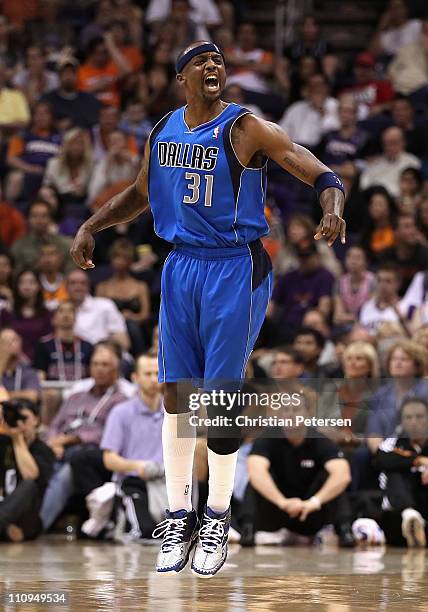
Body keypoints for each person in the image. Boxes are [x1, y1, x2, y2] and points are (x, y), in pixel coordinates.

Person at [70, 40, 347, 577]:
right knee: (178, 398)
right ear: (182, 77)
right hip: (179, 266)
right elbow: (142, 191)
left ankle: (216, 517)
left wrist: (333, 202)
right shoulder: (163, 129)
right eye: (201, 60)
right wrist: (90, 225)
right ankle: (178, 518)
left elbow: (314, 169)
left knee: (218, 400)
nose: (213, 65)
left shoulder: (245, 128)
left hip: (235, 266)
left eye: (219, 59)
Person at [40, 343, 127, 531]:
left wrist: (71, 440)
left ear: (116, 369)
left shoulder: (119, 401)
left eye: (105, 365)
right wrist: (54, 442)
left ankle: (38, 525)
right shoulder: (76, 396)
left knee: (65, 474)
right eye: (95, 364)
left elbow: (105, 434)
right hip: (58, 448)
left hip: (87, 454)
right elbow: (55, 424)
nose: (99, 369)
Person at [77, 352, 164, 539]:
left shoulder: (176, 413)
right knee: (144, 532)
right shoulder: (121, 412)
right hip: (132, 482)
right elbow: (109, 458)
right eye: (147, 374)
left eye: (158, 373)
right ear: (135, 377)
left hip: (168, 482)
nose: (153, 379)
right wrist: (137, 466)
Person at [247, 393, 352, 546]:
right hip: (277, 509)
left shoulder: (320, 440)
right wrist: (282, 502)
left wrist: (313, 502)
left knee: (332, 477)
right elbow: (255, 471)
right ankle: (247, 529)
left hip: (310, 511)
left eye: (295, 410)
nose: (290, 414)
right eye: (285, 410)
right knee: (256, 480)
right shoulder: (266, 438)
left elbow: (343, 475)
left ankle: (345, 529)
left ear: (307, 414)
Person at [373, 397, 428, 547]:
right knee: (392, 471)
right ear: (402, 422)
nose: (414, 421)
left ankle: (414, 521)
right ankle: (410, 514)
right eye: (408, 417)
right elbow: (380, 458)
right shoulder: (395, 442)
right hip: (398, 510)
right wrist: (418, 460)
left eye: (420, 416)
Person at [0, 398, 55, 541]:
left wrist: (18, 440)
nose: (20, 424)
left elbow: (30, 475)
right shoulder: (3, 443)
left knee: (29, 485)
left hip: (26, 518)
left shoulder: (43, 450)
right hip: (3, 506)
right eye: (15, 418)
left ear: (36, 420)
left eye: (24, 418)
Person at [96, 239, 151, 355]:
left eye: (124, 258)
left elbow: (145, 315)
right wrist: (118, 318)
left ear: (131, 261)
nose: (119, 261)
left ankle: (139, 358)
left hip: (136, 330)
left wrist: (131, 316)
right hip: (110, 331)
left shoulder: (140, 286)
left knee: (131, 326)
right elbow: (98, 315)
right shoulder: (102, 287)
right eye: (116, 257)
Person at [66, 269, 130, 351]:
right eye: (73, 283)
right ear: (66, 287)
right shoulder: (59, 311)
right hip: (75, 358)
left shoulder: (105, 305)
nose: (78, 287)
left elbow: (123, 341)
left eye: (83, 283)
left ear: (88, 286)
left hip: (104, 354)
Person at [33, 301, 93, 382]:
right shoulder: (43, 345)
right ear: (53, 319)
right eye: (61, 311)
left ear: (75, 319)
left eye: (70, 311)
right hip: (52, 392)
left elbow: (92, 376)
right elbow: (39, 376)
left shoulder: (87, 346)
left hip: (81, 392)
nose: (66, 315)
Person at [0, 269, 52, 362]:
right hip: (12, 363)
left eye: (31, 282)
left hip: (40, 363)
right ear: (17, 286)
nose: (26, 286)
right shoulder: (7, 312)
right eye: (22, 282)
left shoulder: (46, 314)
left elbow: (49, 342)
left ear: (39, 286)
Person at [10, 199, 73, 275]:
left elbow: (72, 271)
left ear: (50, 219)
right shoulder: (18, 246)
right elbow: (14, 274)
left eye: (44, 216)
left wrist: (58, 266)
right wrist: (36, 267)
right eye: (35, 216)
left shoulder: (64, 244)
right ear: (28, 219)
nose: (39, 221)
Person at [278, 73, 339, 149]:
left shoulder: (334, 105)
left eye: (318, 84)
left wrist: (321, 110)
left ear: (327, 87)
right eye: (311, 85)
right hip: (293, 150)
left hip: (319, 152)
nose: (315, 88)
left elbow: (334, 133)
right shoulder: (297, 107)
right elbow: (281, 131)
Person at [41, 57, 102, 131]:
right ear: (59, 76)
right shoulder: (48, 99)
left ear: (77, 75)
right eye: (65, 72)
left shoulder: (89, 99)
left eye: (72, 73)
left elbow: (96, 123)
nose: (68, 76)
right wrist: (55, 125)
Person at [360, 127, 421, 197]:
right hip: (375, 201)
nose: (389, 147)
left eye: (394, 143)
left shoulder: (412, 162)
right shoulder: (376, 163)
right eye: (386, 144)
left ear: (403, 143)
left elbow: (412, 188)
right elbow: (364, 185)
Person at [378, 214, 428, 295]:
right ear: (396, 233)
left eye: (414, 226)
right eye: (407, 227)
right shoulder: (386, 255)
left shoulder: (425, 254)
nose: (412, 231)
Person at [43, 128, 93, 204]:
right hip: (58, 200)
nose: (76, 147)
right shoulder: (54, 163)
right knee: (46, 192)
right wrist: (72, 188)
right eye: (73, 143)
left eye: (80, 143)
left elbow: (90, 190)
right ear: (66, 145)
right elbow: (48, 185)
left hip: (81, 202)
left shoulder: (90, 166)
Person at [359, 263, 409, 334]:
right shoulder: (366, 307)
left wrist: (399, 315)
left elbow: (413, 336)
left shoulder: (406, 306)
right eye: (379, 281)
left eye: (388, 281)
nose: (382, 285)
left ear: (398, 284)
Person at [333, 246, 375, 325]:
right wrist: (353, 318)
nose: (353, 261)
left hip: (367, 323)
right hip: (346, 325)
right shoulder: (339, 282)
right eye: (350, 257)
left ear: (365, 262)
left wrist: (351, 318)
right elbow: (337, 317)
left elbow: (371, 312)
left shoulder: (373, 281)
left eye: (358, 258)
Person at [0, 328, 41, 404]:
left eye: (14, 340)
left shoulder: (28, 370)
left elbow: (32, 396)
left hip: (19, 411)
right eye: (5, 341)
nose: (11, 344)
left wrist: (6, 395)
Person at [360, 187, 397, 263]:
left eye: (379, 204)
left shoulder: (396, 230)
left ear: (389, 208)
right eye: (372, 204)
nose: (374, 207)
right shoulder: (366, 232)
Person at [37, 243, 69, 311]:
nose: (47, 258)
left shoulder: (68, 283)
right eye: (43, 254)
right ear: (39, 260)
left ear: (60, 258)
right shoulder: (34, 283)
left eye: (51, 254)